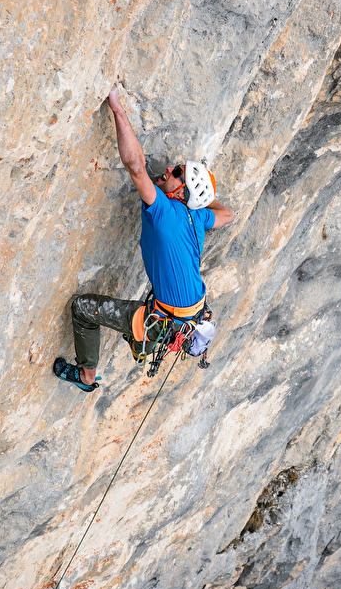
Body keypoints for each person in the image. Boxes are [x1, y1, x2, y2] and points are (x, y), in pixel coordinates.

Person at [54, 85, 234, 392]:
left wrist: (117, 109)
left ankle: (86, 377)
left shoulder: (164, 212)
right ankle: (136, 337)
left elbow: (135, 166)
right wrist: (198, 201)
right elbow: (228, 215)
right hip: (188, 316)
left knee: (82, 308)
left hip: (163, 321)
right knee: (139, 314)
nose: (167, 169)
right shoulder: (198, 217)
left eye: (177, 172)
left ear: (179, 192)